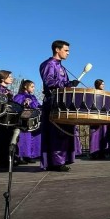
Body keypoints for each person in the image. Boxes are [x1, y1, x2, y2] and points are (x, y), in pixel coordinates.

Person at [40, 40, 79, 171]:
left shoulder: (61, 67)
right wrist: (66, 85)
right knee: (56, 133)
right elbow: (49, 81)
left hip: (63, 102)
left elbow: (63, 83)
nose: (68, 53)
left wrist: (70, 84)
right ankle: (55, 162)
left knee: (64, 132)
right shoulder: (49, 64)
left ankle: (62, 160)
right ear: (57, 49)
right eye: (66, 50)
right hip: (53, 102)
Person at [13, 80, 41, 163]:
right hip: (23, 121)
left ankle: (30, 155)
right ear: (25, 86)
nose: (34, 88)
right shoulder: (19, 96)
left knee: (32, 137)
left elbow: (37, 105)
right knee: (24, 138)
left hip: (32, 120)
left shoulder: (33, 97)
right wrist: (23, 103)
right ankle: (21, 156)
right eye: (32, 86)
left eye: (34, 87)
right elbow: (16, 106)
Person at [88, 79, 110, 159]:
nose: (103, 85)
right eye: (102, 84)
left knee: (103, 134)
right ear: (98, 84)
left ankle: (102, 153)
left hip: (104, 117)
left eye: (104, 84)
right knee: (95, 135)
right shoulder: (92, 93)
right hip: (95, 117)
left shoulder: (106, 94)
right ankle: (94, 153)